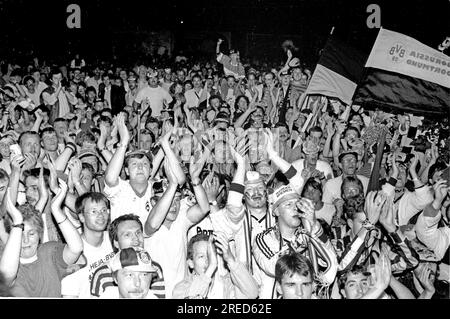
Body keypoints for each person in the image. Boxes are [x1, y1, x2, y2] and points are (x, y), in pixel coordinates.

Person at [0, 179, 83, 297]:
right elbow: (7, 277)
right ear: (12, 235)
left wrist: (56, 209)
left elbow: (76, 248)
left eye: (31, 233)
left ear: (39, 234)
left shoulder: (49, 251)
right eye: (20, 234)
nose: (26, 240)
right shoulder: (6, 261)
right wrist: (17, 223)